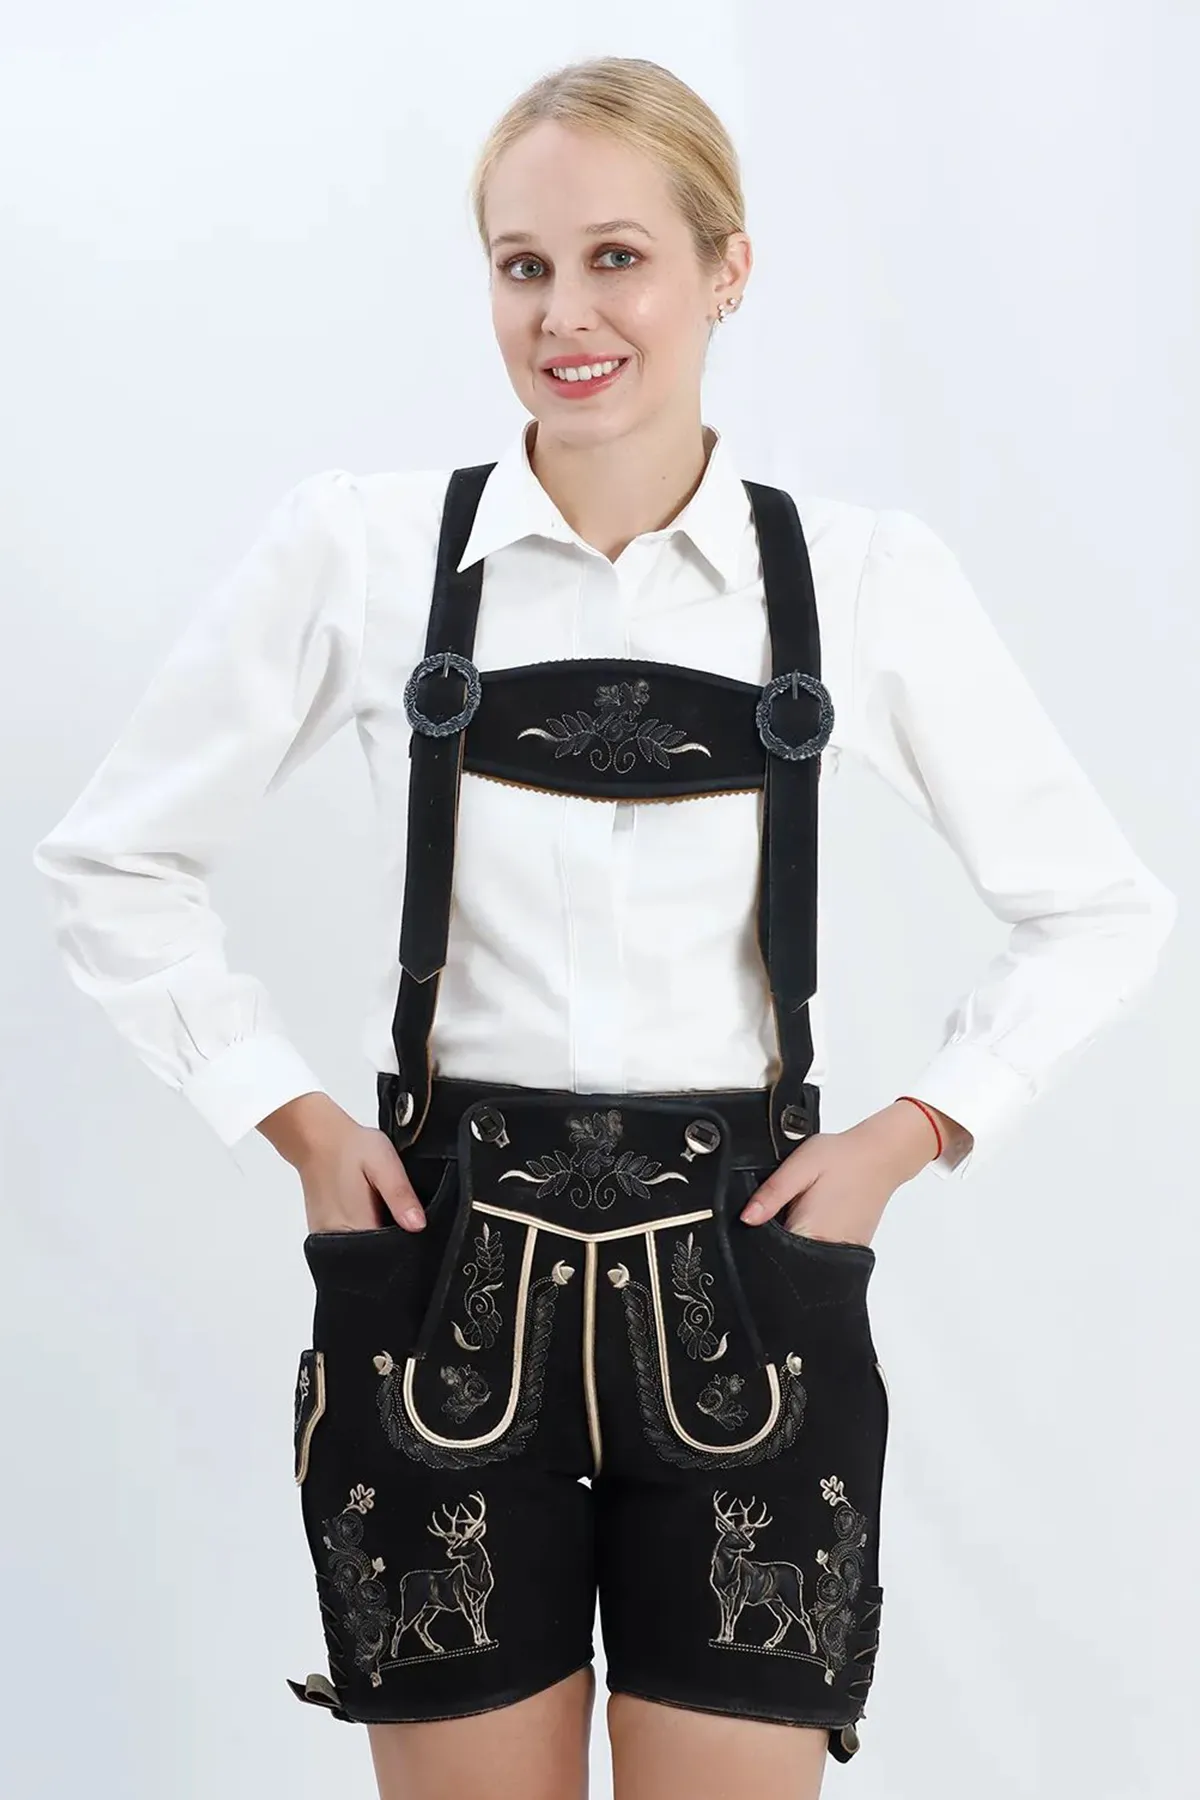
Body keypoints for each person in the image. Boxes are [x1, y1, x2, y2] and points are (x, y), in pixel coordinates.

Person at [31, 54, 1175, 1800]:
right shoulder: (363, 552)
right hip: (438, 1279)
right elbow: (111, 862)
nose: (564, 314)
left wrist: (908, 1139)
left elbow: (1099, 908)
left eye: (617, 258)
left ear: (728, 269)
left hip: (750, 1282)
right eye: (524, 265)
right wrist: (298, 1122)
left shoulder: (859, 578)